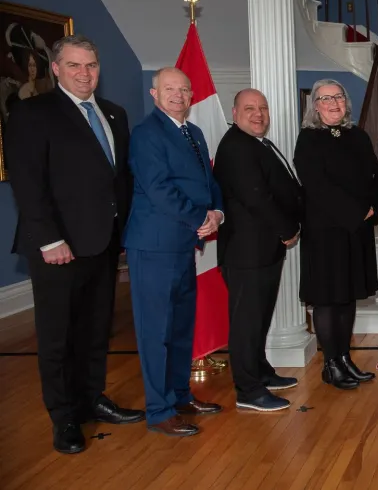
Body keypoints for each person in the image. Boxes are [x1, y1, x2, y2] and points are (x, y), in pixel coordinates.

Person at [5, 34, 144, 454]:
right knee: (58, 335)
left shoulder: (115, 115)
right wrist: (49, 239)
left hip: (103, 243)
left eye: (91, 66)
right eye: (75, 66)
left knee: (95, 328)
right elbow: (28, 183)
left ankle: (91, 398)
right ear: (56, 69)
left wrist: (123, 233)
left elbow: (119, 181)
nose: (85, 74)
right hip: (58, 247)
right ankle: (63, 417)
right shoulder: (32, 112)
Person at [124, 67, 225, 437]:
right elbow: (158, 188)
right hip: (154, 246)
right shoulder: (146, 134)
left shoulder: (194, 132)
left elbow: (208, 181)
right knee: (156, 331)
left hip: (185, 244)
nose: (178, 95)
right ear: (154, 94)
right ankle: (159, 410)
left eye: (184, 89)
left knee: (182, 328)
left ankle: (181, 396)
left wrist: (217, 212)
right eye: (169, 89)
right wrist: (200, 216)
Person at [213, 89, 302, 411]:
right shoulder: (237, 147)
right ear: (235, 112)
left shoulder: (256, 143)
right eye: (250, 108)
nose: (258, 114)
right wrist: (287, 229)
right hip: (246, 252)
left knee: (260, 317)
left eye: (263, 108)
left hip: (264, 250)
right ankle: (248, 390)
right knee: (247, 322)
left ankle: (260, 371)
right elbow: (256, 197)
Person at [294, 79, 378, 390]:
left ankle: (345, 359)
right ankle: (330, 365)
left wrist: (370, 206)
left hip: (355, 232)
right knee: (327, 299)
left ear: (346, 102)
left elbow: (376, 174)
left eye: (338, 97)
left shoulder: (357, 135)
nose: (333, 103)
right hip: (325, 233)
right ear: (314, 105)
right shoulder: (308, 139)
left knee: (347, 298)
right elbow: (317, 186)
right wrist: (356, 211)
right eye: (325, 98)